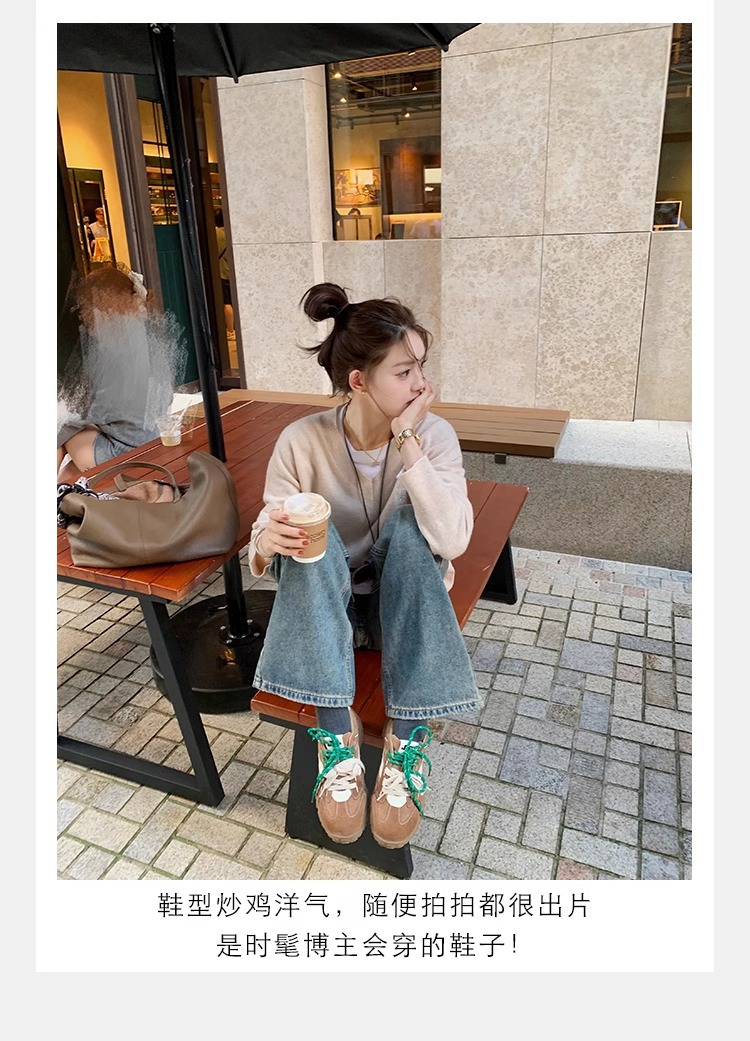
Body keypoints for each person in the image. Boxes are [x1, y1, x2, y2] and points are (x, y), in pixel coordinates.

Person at [249, 282, 479, 850]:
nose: (422, 384)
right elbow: (261, 537)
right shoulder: (301, 441)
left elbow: (453, 538)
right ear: (359, 381)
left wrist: (408, 442)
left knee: (412, 529)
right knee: (308, 539)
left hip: (400, 607)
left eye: (421, 367)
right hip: (325, 613)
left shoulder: (433, 436)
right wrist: (269, 539)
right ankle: (336, 737)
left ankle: (406, 738)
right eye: (404, 371)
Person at [56, 265, 184, 482]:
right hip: (154, 440)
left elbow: (70, 418)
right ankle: (62, 490)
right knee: (72, 457)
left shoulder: (111, 360)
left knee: (65, 431)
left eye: (85, 308)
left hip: (130, 455)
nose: (82, 315)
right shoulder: (148, 336)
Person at [214, 208, 235, 339]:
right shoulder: (231, 233)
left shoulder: (215, 234)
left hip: (222, 272)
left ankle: (231, 331)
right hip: (232, 272)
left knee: (226, 303)